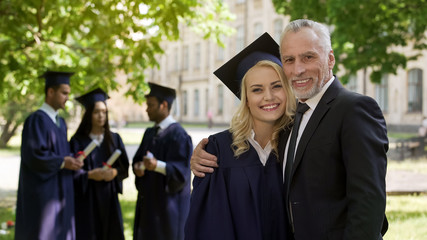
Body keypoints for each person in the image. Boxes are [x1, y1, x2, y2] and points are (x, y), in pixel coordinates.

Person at [191, 19, 389, 240]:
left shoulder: (353, 109)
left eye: (308, 57)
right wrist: (199, 157)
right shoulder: (287, 129)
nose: (299, 68)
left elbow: (368, 203)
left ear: (330, 58)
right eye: (289, 60)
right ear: (246, 99)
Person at [185, 33, 295, 240]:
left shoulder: (298, 143)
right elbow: (209, 224)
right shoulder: (218, 149)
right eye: (257, 90)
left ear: (287, 90)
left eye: (277, 86)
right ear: (245, 99)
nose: (268, 97)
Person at [15, 71, 83, 240]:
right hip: (43, 193)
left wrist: (72, 161)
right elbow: (34, 156)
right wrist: (62, 162)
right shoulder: (36, 120)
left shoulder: (61, 123)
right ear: (50, 92)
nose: (67, 97)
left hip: (61, 190)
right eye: (64, 93)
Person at [132, 82, 193, 240]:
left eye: (150, 105)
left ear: (163, 105)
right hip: (148, 204)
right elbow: (138, 159)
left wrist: (156, 165)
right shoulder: (150, 132)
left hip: (168, 208)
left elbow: (182, 173)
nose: (146, 109)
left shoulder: (179, 135)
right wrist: (138, 167)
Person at [70, 88, 129, 240]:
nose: (101, 115)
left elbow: (124, 167)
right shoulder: (77, 141)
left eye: (104, 111)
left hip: (109, 198)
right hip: (86, 200)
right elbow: (71, 172)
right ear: (88, 114)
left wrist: (114, 173)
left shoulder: (114, 139)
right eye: (96, 112)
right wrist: (89, 175)